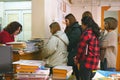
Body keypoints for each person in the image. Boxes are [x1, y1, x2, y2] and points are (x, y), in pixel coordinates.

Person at [64, 13, 82, 80]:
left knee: (73, 69)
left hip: (73, 52)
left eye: (66, 21)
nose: (65, 22)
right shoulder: (70, 28)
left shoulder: (76, 29)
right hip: (71, 52)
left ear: (70, 20)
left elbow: (72, 42)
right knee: (72, 69)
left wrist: (66, 46)